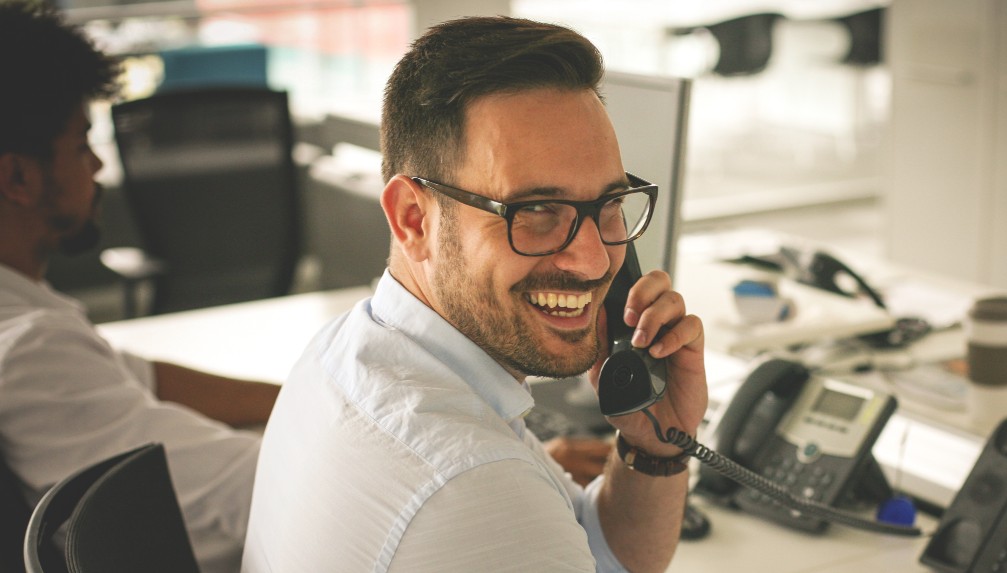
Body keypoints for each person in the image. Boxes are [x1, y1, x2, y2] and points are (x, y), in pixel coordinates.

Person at [244, 16, 708, 572]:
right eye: (536, 211)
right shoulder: (473, 487)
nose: (593, 259)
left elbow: (600, 555)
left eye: (609, 205)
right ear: (414, 219)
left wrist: (653, 446)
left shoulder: (347, 351)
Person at [0, 3, 280, 571]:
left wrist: (309, 399)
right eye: (82, 143)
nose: (98, 165)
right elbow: (251, 492)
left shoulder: (28, 321)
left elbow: (142, 378)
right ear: (18, 179)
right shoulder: (29, 349)